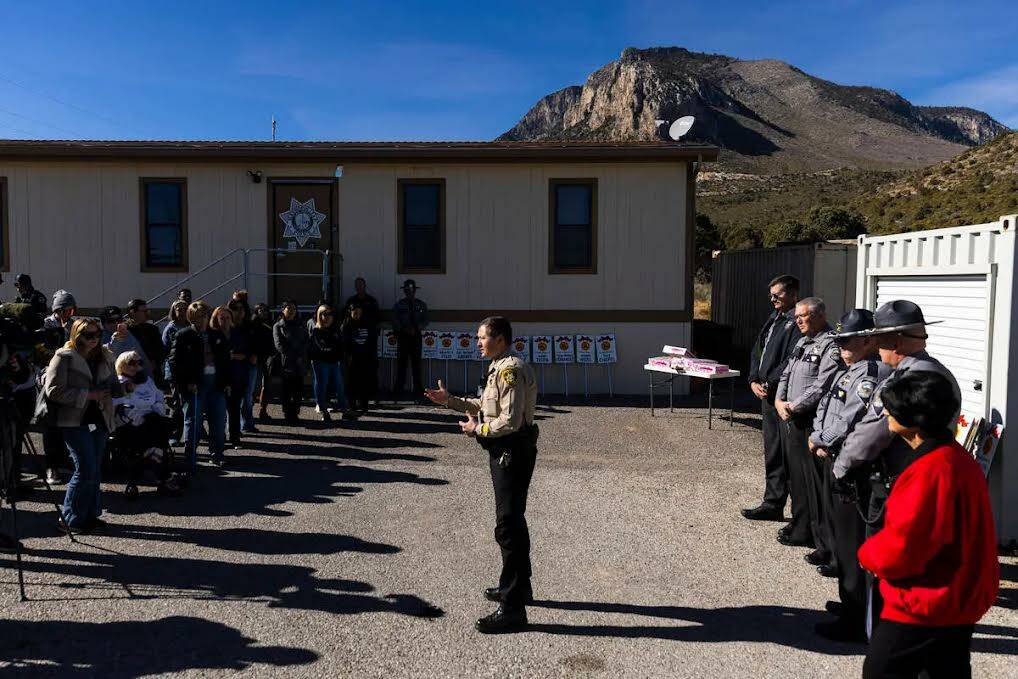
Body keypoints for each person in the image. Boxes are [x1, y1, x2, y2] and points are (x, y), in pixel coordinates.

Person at [858, 371, 998, 679]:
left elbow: (904, 547)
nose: (885, 412)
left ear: (915, 419)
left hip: (924, 605)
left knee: (882, 672)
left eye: (891, 407)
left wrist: (868, 554)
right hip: (956, 601)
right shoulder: (957, 458)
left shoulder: (930, 471)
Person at [833, 300, 961, 635]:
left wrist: (842, 467)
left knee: (887, 567)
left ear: (898, 343)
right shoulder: (934, 371)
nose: (875, 345)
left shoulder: (907, 380)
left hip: (896, 485)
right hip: (910, 482)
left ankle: (875, 632)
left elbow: (873, 431)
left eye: (881, 339)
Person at [425, 316, 539, 634]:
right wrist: (449, 401)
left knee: (508, 526)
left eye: (482, 337)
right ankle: (519, 589)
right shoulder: (498, 366)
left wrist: (479, 429)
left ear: (500, 339)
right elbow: (484, 405)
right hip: (504, 452)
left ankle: (513, 609)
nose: (477, 342)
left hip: (512, 452)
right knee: (514, 521)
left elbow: (510, 421)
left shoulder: (510, 370)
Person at [809, 309, 891, 642]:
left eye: (849, 340)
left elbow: (852, 417)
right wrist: (817, 433)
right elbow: (828, 410)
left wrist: (821, 439)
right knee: (841, 542)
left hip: (852, 466)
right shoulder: (851, 368)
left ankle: (857, 618)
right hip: (833, 456)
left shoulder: (871, 372)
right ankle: (850, 603)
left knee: (852, 544)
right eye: (839, 340)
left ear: (870, 340)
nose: (842, 346)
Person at [774, 297, 842, 555]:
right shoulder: (802, 342)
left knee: (810, 480)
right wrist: (780, 400)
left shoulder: (830, 345)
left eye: (803, 316)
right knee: (796, 477)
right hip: (790, 415)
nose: (798, 321)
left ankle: (814, 533)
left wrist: (793, 406)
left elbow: (822, 384)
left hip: (810, 420)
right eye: (797, 317)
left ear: (818, 316)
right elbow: (787, 373)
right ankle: (800, 522)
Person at [44, 318, 122, 533]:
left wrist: (125, 387)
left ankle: (89, 514)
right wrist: (87, 395)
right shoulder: (63, 357)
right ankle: (69, 518)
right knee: (85, 467)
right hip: (73, 421)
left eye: (97, 334)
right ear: (76, 335)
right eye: (88, 335)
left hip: (99, 419)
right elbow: (53, 390)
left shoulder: (105, 356)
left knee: (94, 468)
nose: (94, 339)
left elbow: (114, 384)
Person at [742, 274, 800, 522]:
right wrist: (753, 379)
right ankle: (772, 503)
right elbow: (758, 349)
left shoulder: (797, 321)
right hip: (766, 394)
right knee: (773, 451)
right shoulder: (774, 318)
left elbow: (791, 359)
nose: (773, 299)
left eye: (778, 294)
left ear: (793, 294)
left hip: (783, 396)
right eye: (771, 295)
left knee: (790, 456)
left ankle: (800, 514)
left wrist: (770, 382)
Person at [168, 301, 230, 470]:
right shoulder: (183, 335)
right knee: (193, 422)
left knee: (218, 421)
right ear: (191, 318)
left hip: (216, 384)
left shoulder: (216, 335)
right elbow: (174, 363)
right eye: (199, 316)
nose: (203, 319)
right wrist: (186, 383)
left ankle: (217, 453)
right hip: (195, 385)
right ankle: (190, 457)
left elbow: (225, 361)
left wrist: (226, 383)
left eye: (205, 315)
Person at [111, 351, 182, 497]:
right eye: (131, 363)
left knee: (164, 421)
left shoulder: (147, 380)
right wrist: (138, 414)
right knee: (157, 428)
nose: (136, 366)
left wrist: (156, 408)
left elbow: (159, 397)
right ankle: (163, 474)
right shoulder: (119, 382)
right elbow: (117, 404)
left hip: (152, 419)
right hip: (130, 424)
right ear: (122, 365)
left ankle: (155, 458)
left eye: (139, 363)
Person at [41, 289, 78, 485]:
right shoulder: (47, 324)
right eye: (66, 310)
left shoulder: (74, 325)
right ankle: (51, 466)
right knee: (51, 424)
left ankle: (66, 459)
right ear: (58, 310)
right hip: (51, 378)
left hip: (71, 377)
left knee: (69, 423)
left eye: (72, 310)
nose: (69, 315)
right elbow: (43, 352)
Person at [211, 305, 249, 449]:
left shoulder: (238, 334)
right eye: (222, 318)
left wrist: (231, 356)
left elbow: (245, 354)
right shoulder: (213, 335)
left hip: (236, 377)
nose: (225, 321)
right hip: (218, 378)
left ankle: (235, 437)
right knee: (218, 411)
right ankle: (219, 438)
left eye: (228, 318)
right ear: (216, 319)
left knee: (234, 409)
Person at [308, 302, 349, 422]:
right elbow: (322, 347)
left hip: (334, 362)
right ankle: (323, 410)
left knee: (339, 386)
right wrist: (332, 350)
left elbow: (340, 346)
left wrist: (339, 356)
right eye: (323, 314)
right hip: (320, 362)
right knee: (322, 385)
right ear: (319, 316)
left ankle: (344, 410)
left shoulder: (336, 329)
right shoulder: (316, 331)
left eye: (329, 314)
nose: (327, 317)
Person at [392, 280, 428, 401]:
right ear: (404, 291)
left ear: (415, 291)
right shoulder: (399, 305)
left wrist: (416, 328)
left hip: (416, 337)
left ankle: (418, 389)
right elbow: (395, 320)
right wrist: (404, 329)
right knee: (402, 364)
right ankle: (398, 389)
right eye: (407, 290)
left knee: (416, 364)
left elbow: (425, 320)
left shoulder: (421, 305)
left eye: (412, 290)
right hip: (403, 337)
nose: (410, 292)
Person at [273, 300, 308, 425]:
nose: (291, 310)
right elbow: (279, 345)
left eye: (293, 308)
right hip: (286, 363)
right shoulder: (278, 326)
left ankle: (296, 412)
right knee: (286, 391)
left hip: (299, 363)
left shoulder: (301, 324)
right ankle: (288, 414)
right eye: (288, 308)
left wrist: (301, 355)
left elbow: (306, 341)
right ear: (283, 310)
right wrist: (293, 356)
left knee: (298, 391)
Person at [228, 298, 258, 434]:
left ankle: (247, 423)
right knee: (233, 398)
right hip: (232, 365)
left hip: (248, 364)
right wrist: (233, 356)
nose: (240, 312)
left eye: (242, 309)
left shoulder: (250, 326)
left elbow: (255, 344)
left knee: (247, 396)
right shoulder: (227, 326)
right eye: (236, 309)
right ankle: (233, 428)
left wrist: (252, 355)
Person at [162, 300, 190, 444]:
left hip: (191, 370)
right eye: (178, 308)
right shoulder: (170, 328)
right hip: (174, 371)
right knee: (176, 404)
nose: (181, 311)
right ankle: (174, 435)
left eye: (184, 308)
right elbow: (165, 350)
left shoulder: (192, 327)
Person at [343, 304, 378, 413]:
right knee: (351, 384)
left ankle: (364, 406)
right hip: (351, 359)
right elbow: (343, 344)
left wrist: (373, 358)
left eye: (359, 312)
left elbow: (372, 342)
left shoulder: (368, 324)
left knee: (365, 383)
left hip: (365, 359)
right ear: (350, 312)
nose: (357, 314)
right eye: (355, 312)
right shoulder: (346, 325)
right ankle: (351, 406)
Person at [125, 298, 167, 387]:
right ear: (133, 312)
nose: (147, 314)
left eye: (147, 310)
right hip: (131, 375)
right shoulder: (125, 330)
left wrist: (155, 363)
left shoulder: (153, 330)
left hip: (152, 374)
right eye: (144, 311)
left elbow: (161, 350)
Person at [251, 303, 276, 421]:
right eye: (261, 310)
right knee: (254, 386)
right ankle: (248, 412)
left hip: (268, 357)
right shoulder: (253, 324)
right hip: (256, 358)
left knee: (266, 386)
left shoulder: (271, 323)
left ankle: (263, 409)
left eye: (265, 310)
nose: (264, 312)